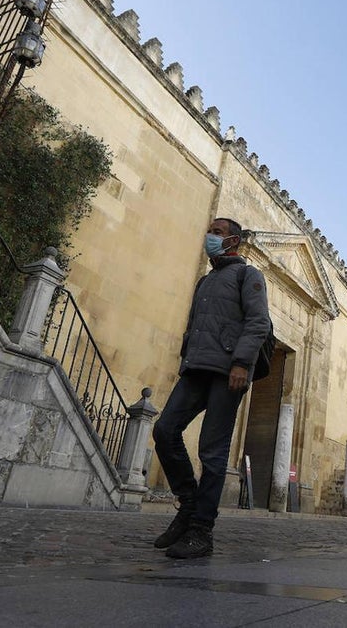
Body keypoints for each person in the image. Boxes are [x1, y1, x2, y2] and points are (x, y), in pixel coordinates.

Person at [152, 217, 271, 559]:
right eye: (209, 231)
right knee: (165, 430)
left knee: (212, 451)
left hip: (227, 373)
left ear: (233, 241)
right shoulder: (205, 281)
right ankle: (189, 504)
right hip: (196, 369)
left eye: (217, 233)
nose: (210, 237)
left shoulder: (248, 276)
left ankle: (201, 530)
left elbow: (258, 321)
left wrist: (241, 363)